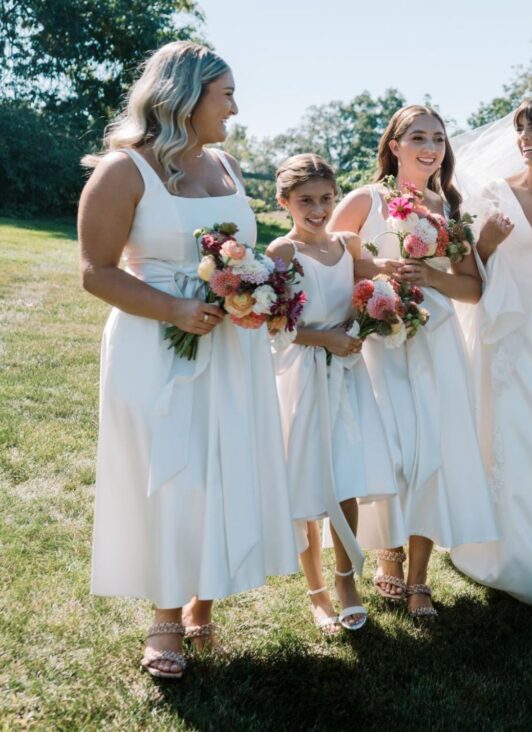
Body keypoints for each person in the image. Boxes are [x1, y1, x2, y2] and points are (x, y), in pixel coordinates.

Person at [79, 41, 297, 678]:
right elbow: (94, 272)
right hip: (157, 342)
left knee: (223, 465)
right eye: (225, 94)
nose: (235, 106)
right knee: (174, 473)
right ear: (186, 96)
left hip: (231, 342)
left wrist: (262, 292)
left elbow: (246, 254)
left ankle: (203, 608)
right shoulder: (124, 172)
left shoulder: (226, 165)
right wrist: (175, 310)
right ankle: (165, 620)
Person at [328, 105, 498, 619]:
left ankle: (420, 578)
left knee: (433, 450)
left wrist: (432, 278)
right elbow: (323, 257)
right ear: (394, 145)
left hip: (435, 342)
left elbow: (472, 289)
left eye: (439, 139)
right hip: (379, 339)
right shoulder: (366, 200)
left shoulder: (450, 210)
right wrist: (379, 271)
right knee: (389, 448)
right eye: (419, 137)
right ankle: (388, 553)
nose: (431, 147)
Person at [448, 97, 532, 616]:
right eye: (521, 129)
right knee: (507, 444)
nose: (526, 138)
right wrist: (482, 246)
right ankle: (499, 557)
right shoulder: (490, 194)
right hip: (507, 334)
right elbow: (469, 273)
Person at [267, 154, 399, 635]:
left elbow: (374, 284)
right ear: (285, 202)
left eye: (326, 198)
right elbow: (273, 327)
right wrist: (325, 339)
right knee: (307, 478)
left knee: (345, 475)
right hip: (303, 372)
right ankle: (316, 593)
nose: (318, 209)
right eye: (306, 201)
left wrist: (371, 318)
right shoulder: (282, 252)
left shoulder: (348, 243)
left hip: (348, 372)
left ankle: (347, 581)